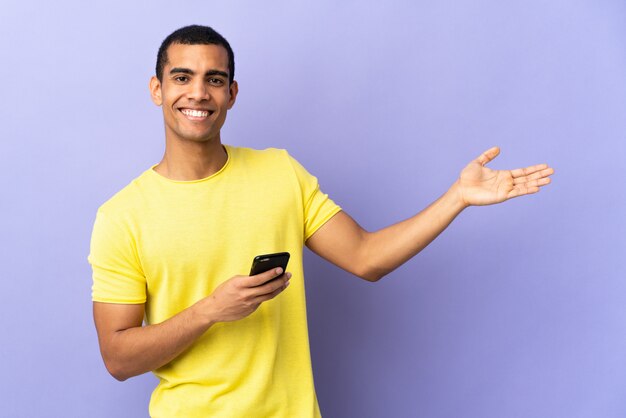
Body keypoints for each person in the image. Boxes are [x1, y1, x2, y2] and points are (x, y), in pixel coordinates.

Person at [89, 25, 554, 418]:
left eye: (214, 79)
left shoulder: (279, 172)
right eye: (182, 77)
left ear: (231, 93)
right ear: (158, 89)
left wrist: (457, 198)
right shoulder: (122, 216)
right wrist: (210, 310)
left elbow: (367, 258)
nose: (198, 93)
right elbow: (118, 357)